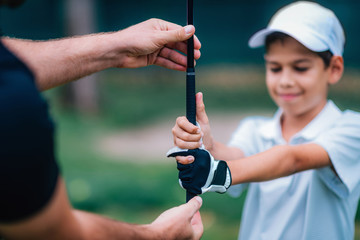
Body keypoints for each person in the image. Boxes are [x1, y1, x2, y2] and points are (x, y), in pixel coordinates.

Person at [0, 2, 203, 239]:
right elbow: (54, 234)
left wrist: (117, 46)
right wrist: (159, 235)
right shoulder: (10, 103)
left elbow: (7, 64)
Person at [169, 1, 360, 239]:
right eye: (275, 68)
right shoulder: (254, 129)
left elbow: (293, 158)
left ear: (334, 69)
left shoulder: (352, 129)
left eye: (300, 68)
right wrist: (208, 147)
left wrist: (216, 172)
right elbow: (236, 158)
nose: (285, 80)